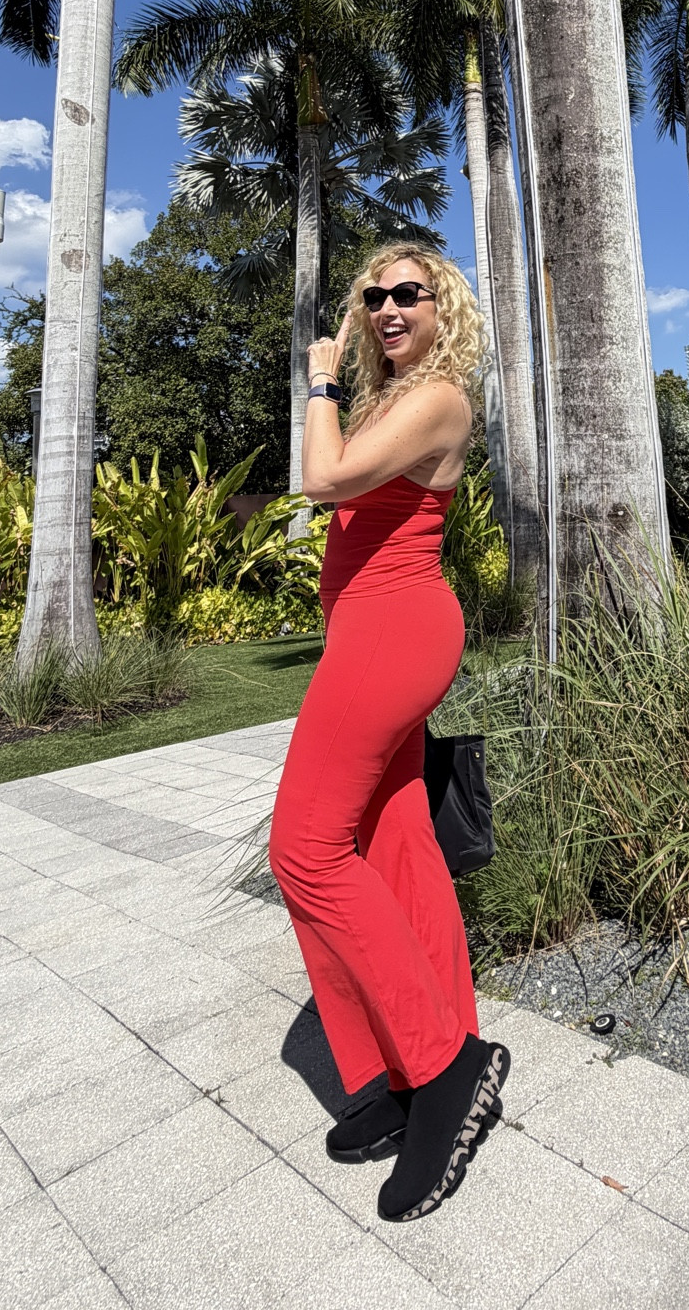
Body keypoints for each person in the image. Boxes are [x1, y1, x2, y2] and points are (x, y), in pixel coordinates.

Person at [268, 243, 510, 1223]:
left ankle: (446, 1065)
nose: (386, 305)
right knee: (394, 844)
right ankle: (409, 1070)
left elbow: (322, 480)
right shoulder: (394, 399)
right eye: (374, 295)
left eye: (407, 292)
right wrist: (346, 391)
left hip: (395, 630)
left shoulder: (440, 396)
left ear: (442, 302)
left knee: (306, 848)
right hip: (366, 632)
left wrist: (319, 380)